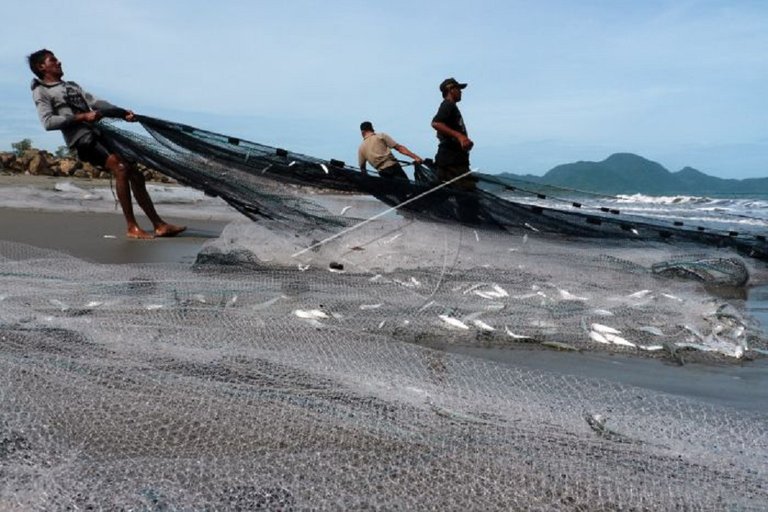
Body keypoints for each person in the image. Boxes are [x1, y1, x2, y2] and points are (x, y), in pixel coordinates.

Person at [28, 49, 186, 239]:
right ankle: (132, 227)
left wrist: (121, 113)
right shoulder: (41, 91)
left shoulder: (72, 86)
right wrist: (83, 116)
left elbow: (97, 103)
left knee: (136, 175)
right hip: (83, 140)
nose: (59, 62)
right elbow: (48, 122)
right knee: (121, 168)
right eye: (53, 60)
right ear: (41, 67)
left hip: (100, 135)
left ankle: (159, 225)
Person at [430, 77, 479, 223]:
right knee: (468, 195)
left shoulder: (451, 107)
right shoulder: (448, 105)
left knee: (442, 192)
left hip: (449, 158)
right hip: (453, 160)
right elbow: (436, 123)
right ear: (451, 90)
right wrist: (460, 137)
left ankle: (420, 212)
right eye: (459, 89)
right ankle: (471, 226)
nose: (461, 93)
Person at [357, 121, 423, 180]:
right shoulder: (380, 136)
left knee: (395, 192)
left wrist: (367, 180)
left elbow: (362, 168)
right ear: (372, 129)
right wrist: (416, 157)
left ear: (362, 132)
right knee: (408, 190)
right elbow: (400, 148)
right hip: (394, 168)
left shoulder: (361, 148)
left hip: (383, 173)